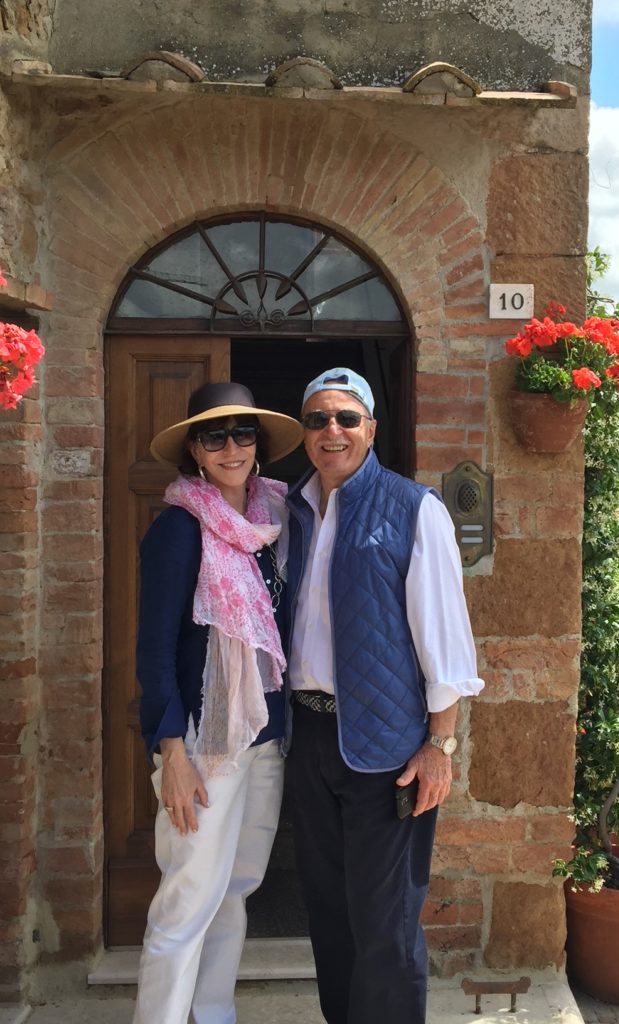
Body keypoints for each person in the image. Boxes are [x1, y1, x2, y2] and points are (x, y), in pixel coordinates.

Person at [283, 367, 484, 1024]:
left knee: (385, 925)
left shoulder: (413, 507)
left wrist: (440, 743)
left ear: (371, 427)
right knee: (329, 913)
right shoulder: (291, 509)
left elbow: (444, 639)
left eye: (346, 417)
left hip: (388, 749)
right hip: (309, 738)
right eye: (318, 419)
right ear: (305, 433)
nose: (331, 431)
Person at [133, 382, 303, 1024]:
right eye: (214, 436)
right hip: (205, 741)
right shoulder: (179, 530)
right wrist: (169, 749)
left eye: (243, 434)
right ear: (194, 452)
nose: (231, 447)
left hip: (265, 732)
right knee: (188, 897)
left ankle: (212, 1014)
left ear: (258, 445)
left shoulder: (273, 523)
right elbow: (152, 650)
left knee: (235, 890)